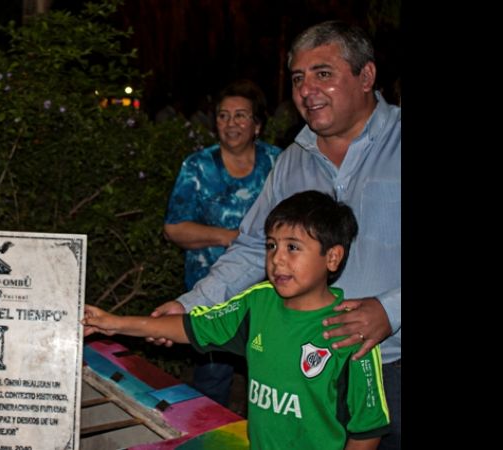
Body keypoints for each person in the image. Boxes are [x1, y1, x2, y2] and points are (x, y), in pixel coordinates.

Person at [151, 21, 401, 449]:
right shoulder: (291, 162)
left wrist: (391, 311)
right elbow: (251, 248)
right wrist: (189, 306)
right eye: (298, 78)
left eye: (323, 73)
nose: (306, 90)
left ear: (366, 76)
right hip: (302, 378)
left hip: (392, 365)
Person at [86, 191, 390, 450]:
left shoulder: (350, 331)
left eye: (293, 247)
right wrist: (113, 323)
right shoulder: (258, 302)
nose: (277, 259)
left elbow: (368, 429)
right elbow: (192, 326)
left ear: (333, 257)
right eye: (271, 245)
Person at [163, 79, 281, 407]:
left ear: (257, 124)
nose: (231, 123)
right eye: (224, 116)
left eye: (241, 115)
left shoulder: (279, 163)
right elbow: (174, 228)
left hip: (271, 292)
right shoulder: (198, 166)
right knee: (212, 383)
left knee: (269, 380)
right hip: (211, 295)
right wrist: (230, 237)